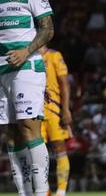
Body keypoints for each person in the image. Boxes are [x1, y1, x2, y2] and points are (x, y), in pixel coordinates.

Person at [0, 0, 54, 196]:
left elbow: (48, 29)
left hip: (27, 67)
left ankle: (41, 192)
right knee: (12, 134)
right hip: (1, 72)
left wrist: (26, 51)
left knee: (29, 127)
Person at [39, 45, 72, 196]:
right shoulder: (28, 56)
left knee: (59, 147)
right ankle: (45, 190)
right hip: (35, 110)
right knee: (37, 151)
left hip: (54, 110)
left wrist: (65, 109)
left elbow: (64, 83)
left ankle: (61, 191)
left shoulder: (54, 56)